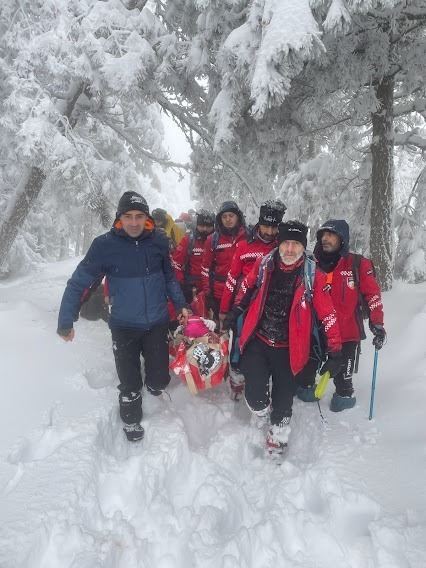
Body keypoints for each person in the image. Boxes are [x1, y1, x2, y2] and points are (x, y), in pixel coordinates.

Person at [57, 191, 189, 442]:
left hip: (157, 323)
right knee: (129, 382)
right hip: (124, 326)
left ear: (147, 218)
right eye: (128, 216)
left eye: (139, 216)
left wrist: (181, 304)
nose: (134, 222)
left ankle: (153, 386)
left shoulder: (159, 241)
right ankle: (131, 420)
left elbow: (169, 277)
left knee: (159, 380)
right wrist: (66, 319)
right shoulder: (105, 246)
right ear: (119, 218)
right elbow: (80, 283)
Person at [223, 221, 343, 456]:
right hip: (258, 341)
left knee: (283, 399)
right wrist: (236, 310)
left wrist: (335, 350)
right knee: (256, 397)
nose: (289, 249)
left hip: (291, 349)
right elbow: (246, 287)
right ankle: (260, 412)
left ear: (303, 247)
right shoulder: (264, 264)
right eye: (286, 243)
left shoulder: (312, 275)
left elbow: (328, 315)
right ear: (279, 244)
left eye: (296, 244)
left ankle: (277, 436)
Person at [297, 219, 386, 412]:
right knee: (304, 381)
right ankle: (308, 388)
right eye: (323, 235)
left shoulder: (357, 263)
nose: (326, 239)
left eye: (331, 235)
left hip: (347, 333)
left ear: (342, 239)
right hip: (316, 331)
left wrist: (377, 323)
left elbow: (373, 295)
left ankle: (344, 396)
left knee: (343, 389)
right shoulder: (311, 263)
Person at [219, 200, 286, 399]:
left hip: (272, 306)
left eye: (274, 227)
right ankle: (237, 376)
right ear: (259, 223)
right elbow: (232, 279)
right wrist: (225, 308)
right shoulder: (244, 245)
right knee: (240, 338)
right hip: (245, 303)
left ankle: (267, 379)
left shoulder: (283, 245)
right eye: (265, 226)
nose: (269, 231)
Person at [200, 200, 247, 318]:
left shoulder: (248, 236)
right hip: (219, 293)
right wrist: (207, 294)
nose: (228, 219)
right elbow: (205, 268)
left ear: (238, 217)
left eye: (231, 216)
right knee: (221, 330)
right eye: (224, 216)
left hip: (242, 293)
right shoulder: (212, 240)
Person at [171, 209, 215, 302]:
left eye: (208, 226)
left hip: (214, 287)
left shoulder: (218, 241)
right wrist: (181, 283)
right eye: (202, 225)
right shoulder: (189, 240)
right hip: (193, 288)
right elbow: (176, 263)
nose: (205, 229)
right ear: (197, 225)